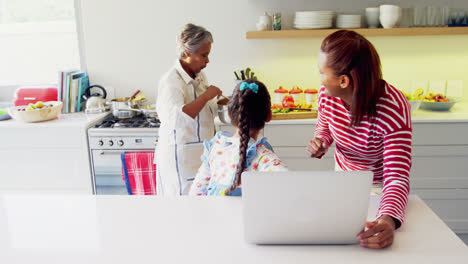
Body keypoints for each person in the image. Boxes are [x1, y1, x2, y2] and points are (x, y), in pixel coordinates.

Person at [307, 30, 412, 249]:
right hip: (343, 181)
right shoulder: (326, 94)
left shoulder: (394, 108)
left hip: (380, 189)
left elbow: (397, 176)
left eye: (321, 72)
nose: (319, 79)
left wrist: (388, 220)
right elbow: (325, 126)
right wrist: (321, 141)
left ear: (343, 80)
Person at [155, 23, 223, 196]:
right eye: (204, 55)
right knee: (183, 211)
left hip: (201, 156)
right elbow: (175, 120)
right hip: (181, 160)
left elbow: (204, 110)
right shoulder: (172, 82)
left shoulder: (199, 75)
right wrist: (206, 96)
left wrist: (227, 101)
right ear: (187, 53)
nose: (208, 60)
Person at [189, 80, 287, 196]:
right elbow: (291, 186)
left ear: (229, 115)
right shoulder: (263, 157)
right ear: (268, 116)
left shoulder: (215, 149)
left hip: (214, 214)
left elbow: (195, 194)